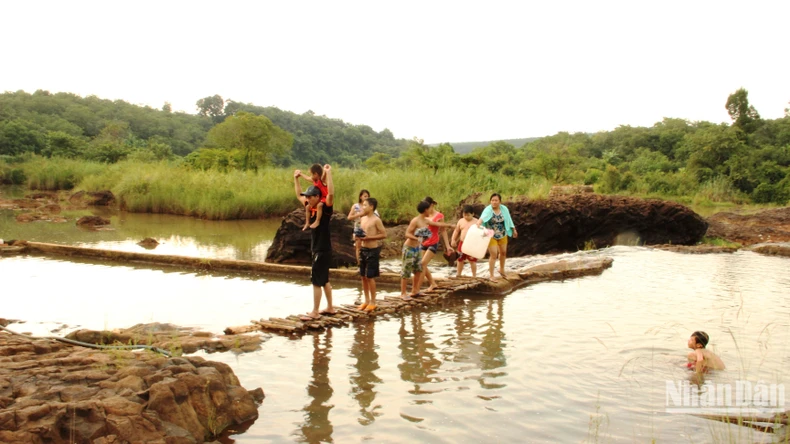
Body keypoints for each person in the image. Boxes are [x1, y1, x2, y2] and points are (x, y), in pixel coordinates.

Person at [294, 164, 335, 321]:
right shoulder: (309, 206)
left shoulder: (324, 208)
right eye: (308, 197)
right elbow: (298, 195)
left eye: (310, 197)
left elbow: (330, 193)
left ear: (318, 197)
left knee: (316, 281)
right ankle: (330, 307)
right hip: (320, 249)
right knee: (324, 280)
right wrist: (296, 179)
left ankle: (315, 311)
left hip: (322, 249)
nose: (307, 198)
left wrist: (328, 173)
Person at [401, 200, 453, 299]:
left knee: (418, 270)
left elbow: (438, 225)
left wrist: (450, 225)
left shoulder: (426, 220)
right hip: (409, 247)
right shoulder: (415, 220)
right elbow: (407, 234)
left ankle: (415, 290)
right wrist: (417, 238)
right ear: (425, 209)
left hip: (417, 247)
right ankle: (403, 293)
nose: (431, 210)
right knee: (406, 270)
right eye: (429, 208)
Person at [477, 193, 518, 280]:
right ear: (490, 201)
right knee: (494, 255)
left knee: (503, 252)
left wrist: (513, 229)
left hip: (502, 233)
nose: (494, 202)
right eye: (492, 200)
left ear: (500, 202)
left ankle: (502, 269)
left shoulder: (504, 209)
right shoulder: (488, 209)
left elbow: (509, 219)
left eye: (496, 200)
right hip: (490, 233)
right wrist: (478, 223)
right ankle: (491, 275)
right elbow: (482, 218)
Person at [355, 197, 386, 312]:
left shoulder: (376, 220)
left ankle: (373, 301)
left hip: (373, 250)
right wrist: (358, 237)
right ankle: (366, 300)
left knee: (370, 276)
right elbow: (361, 233)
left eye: (365, 205)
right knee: (363, 275)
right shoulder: (362, 219)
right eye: (363, 205)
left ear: (371, 206)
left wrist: (370, 237)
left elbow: (384, 234)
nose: (363, 207)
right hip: (363, 248)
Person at [420, 197, 454, 291]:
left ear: (431, 205)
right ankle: (432, 283)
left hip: (433, 242)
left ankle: (417, 288)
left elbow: (443, 230)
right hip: (423, 242)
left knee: (423, 263)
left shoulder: (439, 215)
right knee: (421, 264)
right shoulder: (424, 215)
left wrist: (448, 246)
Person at [347, 189, 375, 262]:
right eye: (365, 196)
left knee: (368, 245)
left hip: (368, 227)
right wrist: (360, 214)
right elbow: (349, 217)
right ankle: (359, 263)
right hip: (358, 227)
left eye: (368, 196)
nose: (367, 198)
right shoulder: (355, 206)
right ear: (360, 197)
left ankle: (367, 262)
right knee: (358, 247)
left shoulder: (370, 206)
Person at [451, 205, 479, 278]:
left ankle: (474, 275)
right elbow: (456, 231)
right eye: (464, 215)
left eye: (468, 215)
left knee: (472, 260)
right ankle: (458, 274)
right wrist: (453, 239)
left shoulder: (476, 222)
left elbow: (480, 234)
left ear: (473, 214)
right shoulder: (461, 221)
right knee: (460, 259)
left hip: (472, 244)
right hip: (462, 243)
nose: (466, 217)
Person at [299, 164, 328, 231]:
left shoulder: (321, 180)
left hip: (324, 198)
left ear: (316, 174)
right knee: (307, 207)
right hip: (318, 198)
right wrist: (300, 174)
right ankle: (307, 223)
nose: (310, 176)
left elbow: (324, 176)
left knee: (319, 205)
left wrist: (326, 170)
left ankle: (317, 221)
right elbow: (307, 178)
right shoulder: (314, 181)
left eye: (311, 174)